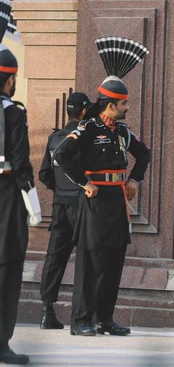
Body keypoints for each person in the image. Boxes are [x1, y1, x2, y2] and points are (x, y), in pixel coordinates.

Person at [54, 37, 151, 337]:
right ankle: (81, 320)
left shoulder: (122, 130)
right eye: (123, 104)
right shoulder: (88, 128)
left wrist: (134, 178)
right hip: (94, 201)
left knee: (113, 259)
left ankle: (104, 320)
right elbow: (61, 155)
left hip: (117, 200)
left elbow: (144, 154)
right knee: (90, 261)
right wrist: (84, 183)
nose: (126, 108)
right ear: (111, 105)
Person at [0, 45, 40, 365]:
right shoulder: (13, 112)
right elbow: (20, 161)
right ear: (9, 80)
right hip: (7, 196)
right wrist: (32, 198)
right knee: (8, 267)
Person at [38, 92, 91, 330]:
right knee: (85, 258)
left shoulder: (54, 137)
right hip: (84, 204)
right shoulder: (84, 137)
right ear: (83, 112)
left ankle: (47, 311)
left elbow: (44, 174)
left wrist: (59, 189)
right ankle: (82, 317)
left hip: (60, 205)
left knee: (55, 258)